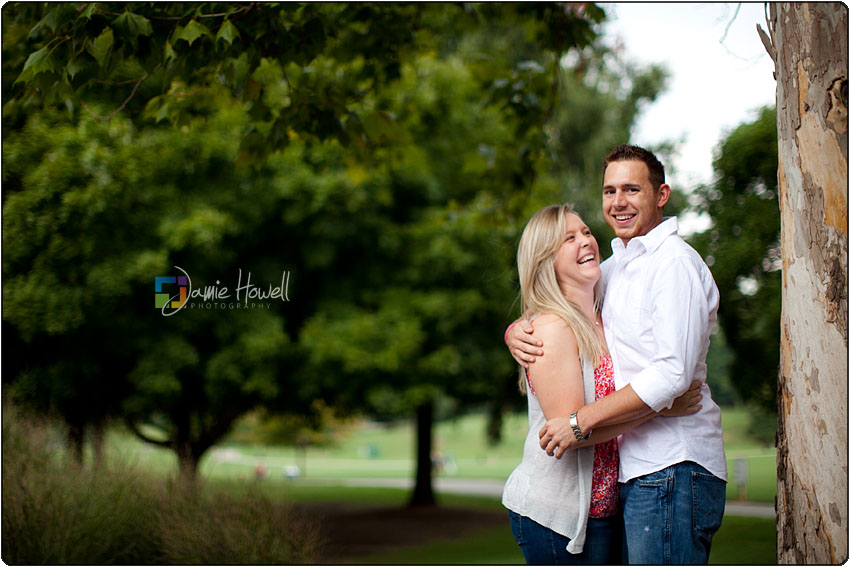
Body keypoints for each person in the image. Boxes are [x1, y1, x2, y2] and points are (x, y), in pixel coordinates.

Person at [506, 145, 727, 564]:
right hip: (634, 472)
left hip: (674, 464)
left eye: (631, 189)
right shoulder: (615, 268)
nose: (618, 202)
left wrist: (583, 420)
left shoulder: (672, 264)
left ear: (661, 195)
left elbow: (672, 373)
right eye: (609, 191)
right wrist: (514, 331)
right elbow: (554, 299)